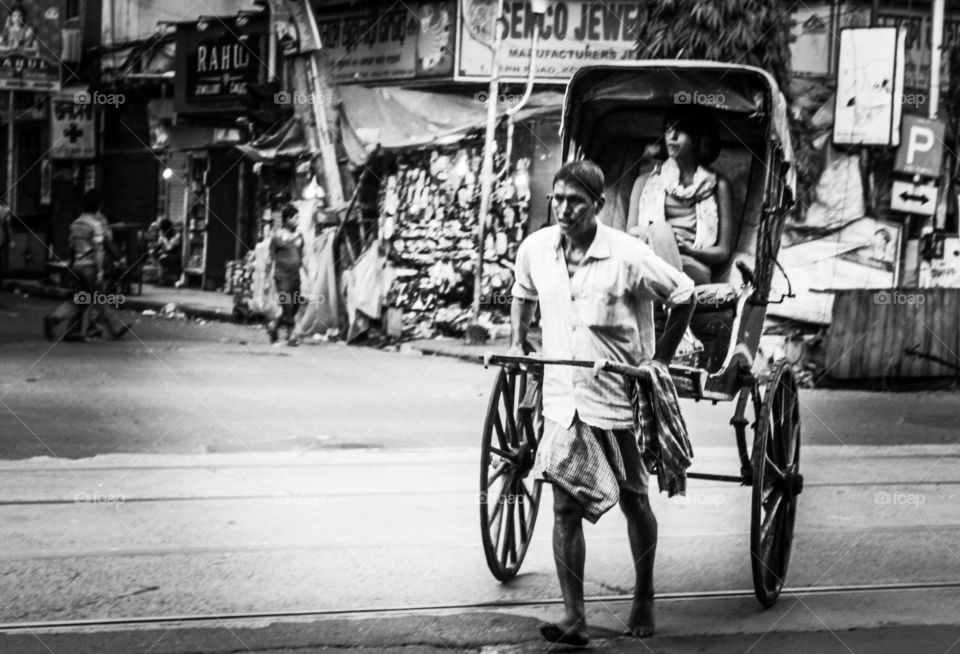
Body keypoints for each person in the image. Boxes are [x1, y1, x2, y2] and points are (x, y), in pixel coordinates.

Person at [509, 161, 695, 646]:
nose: (564, 209)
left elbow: (684, 293)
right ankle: (574, 618)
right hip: (562, 400)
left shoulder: (628, 255)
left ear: (597, 204)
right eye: (558, 199)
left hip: (616, 399)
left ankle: (645, 594)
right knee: (564, 508)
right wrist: (519, 341)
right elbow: (522, 293)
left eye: (575, 201)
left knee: (635, 499)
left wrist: (660, 361)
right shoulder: (536, 248)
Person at [626, 109, 734, 286]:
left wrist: (691, 251)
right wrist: (661, 237)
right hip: (650, 261)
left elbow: (723, 251)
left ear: (700, 138)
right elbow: (629, 234)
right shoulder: (644, 182)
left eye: (681, 130)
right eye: (668, 129)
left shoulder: (719, 185)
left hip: (693, 266)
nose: (672, 136)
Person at [268, 203, 305, 345]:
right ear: (287, 219)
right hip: (281, 277)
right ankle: (291, 336)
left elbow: (302, 257)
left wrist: (306, 275)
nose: (298, 221)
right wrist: (268, 279)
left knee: (294, 306)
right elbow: (270, 258)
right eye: (295, 218)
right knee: (287, 304)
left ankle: (274, 326)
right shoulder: (277, 237)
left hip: (296, 276)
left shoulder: (299, 236)